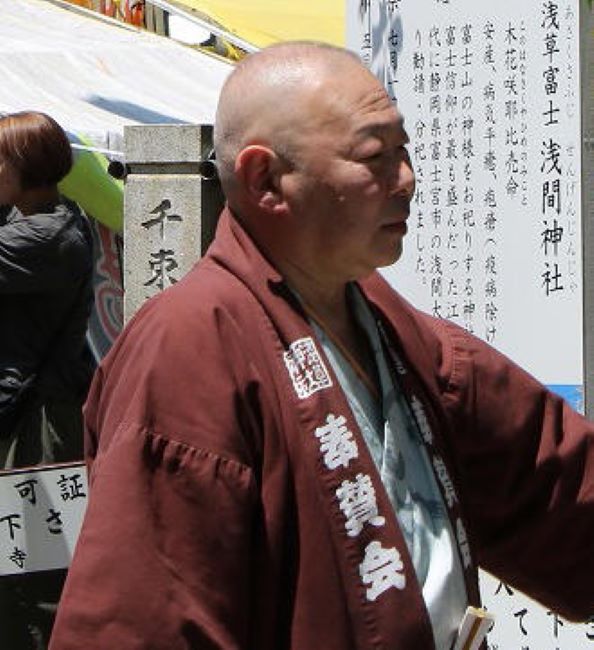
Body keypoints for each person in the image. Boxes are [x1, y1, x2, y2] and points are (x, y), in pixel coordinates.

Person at [50, 43, 593, 650]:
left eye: (403, 150)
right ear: (266, 179)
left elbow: (552, 480)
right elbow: (144, 622)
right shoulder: (189, 349)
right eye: (374, 157)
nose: (406, 180)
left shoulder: (395, 329)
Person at [0, 111, 94, 649]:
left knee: (32, 574)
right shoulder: (50, 216)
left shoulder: (44, 236)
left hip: (35, 429)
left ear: (25, 166)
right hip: (29, 415)